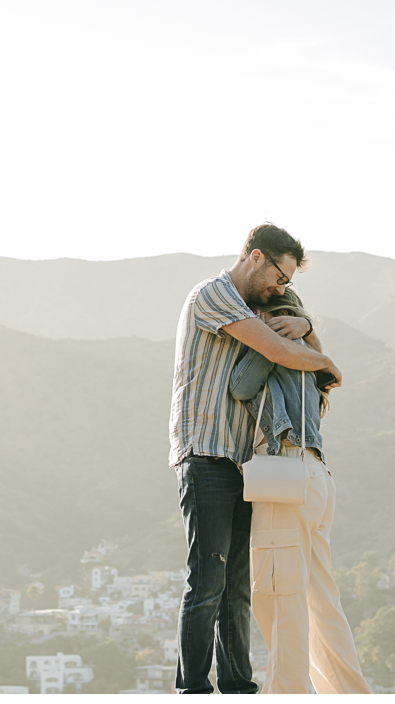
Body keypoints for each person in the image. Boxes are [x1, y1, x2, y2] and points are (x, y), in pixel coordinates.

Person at [169, 223, 342, 695]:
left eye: (286, 283)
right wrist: (326, 364)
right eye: (279, 276)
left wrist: (305, 325)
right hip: (205, 452)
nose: (280, 287)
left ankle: (238, 685)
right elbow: (276, 350)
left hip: (245, 463)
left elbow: (292, 333)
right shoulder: (213, 295)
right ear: (255, 257)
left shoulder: (257, 305)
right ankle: (193, 689)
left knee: (238, 583)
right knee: (208, 578)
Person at [230, 287, 372, 695]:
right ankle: (349, 694)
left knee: (280, 597)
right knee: (321, 599)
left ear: (270, 315)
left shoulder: (281, 347)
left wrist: (266, 338)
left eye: (254, 311)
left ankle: (287, 694)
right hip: (315, 478)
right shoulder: (308, 358)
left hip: (284, 476)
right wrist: (306, 329)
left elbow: (241, 386)